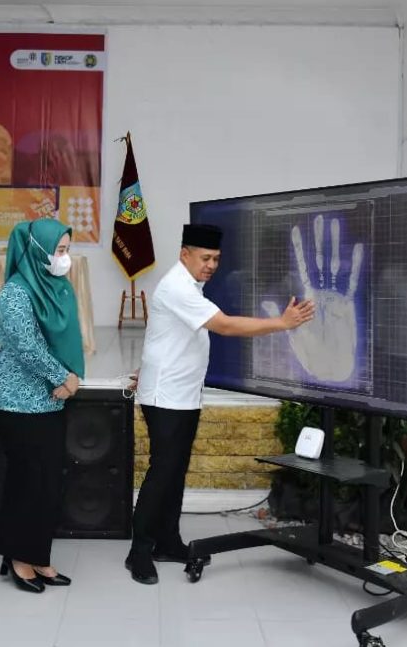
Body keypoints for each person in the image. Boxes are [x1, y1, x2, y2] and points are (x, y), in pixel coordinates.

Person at [126, 224, 316, 585]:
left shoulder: (190, 286)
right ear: (185, 254)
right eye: (205, 257)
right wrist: (282, 322)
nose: (212, 265)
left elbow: (164, 338)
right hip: (166, 397)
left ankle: (167, 542)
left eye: (216, 259)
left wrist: (146, 367)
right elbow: (225, 326)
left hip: (183, 394)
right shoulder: (178, 287)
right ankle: (139, 551)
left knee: (176, 471)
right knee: (162, 472)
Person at [0, 218, 82, 593]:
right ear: (37, 251)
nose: (64, 258)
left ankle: (39, 556)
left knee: (46, 483)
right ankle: (18, 558)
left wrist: (67, 378)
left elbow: (67, 338)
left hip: (49, 400)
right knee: (28, 482)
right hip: (16, 402)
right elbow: (27, 347)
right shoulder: (16, 293)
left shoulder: (56, 287)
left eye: (67, 250)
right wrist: (63, 377)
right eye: (59, 251)